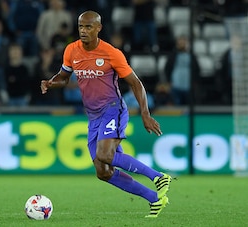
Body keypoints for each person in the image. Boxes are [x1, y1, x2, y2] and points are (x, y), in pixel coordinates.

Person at [40, 11, 171, 218]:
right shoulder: (71, 50)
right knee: (103, 171)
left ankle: (158, 177)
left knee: (105, 155)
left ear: (99, 28)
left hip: (113, 109)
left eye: (88, 27)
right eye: (81, 27)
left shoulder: (111, 53)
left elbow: (136, 83)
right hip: (93, 116)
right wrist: (50, 82)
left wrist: (145, 114)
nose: (83, 31)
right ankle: (155, 199)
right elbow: (64, 77)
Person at [164, 35, 200, 105]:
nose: (182, 44)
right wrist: (169, 82)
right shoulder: (172, 56)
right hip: (175, 86)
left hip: (188, 86)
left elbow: (197, 70)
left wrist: (194, 82)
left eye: (184, 42)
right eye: (180, 43)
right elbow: (167, 69)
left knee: (188, 107)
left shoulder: (192, 56)